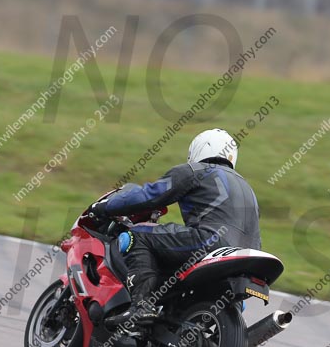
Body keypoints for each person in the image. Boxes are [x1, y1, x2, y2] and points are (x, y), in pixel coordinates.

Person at [91, 128, 262, 328]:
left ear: (200, 150)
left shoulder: (196, 171)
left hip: (210, 241)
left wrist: (104, 206)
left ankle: (141, 306)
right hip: (247, 255)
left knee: (137, 235)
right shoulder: (248, 189)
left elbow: (150, 196)